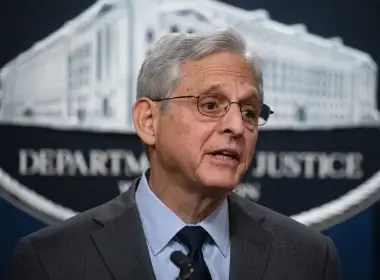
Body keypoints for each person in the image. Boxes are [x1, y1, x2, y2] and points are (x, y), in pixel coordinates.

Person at [9, 28, 341, 280]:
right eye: (210, 105)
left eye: (250, 112)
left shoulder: (309, 259)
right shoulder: (50, 261)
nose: (237, 127)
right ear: (148, 121)